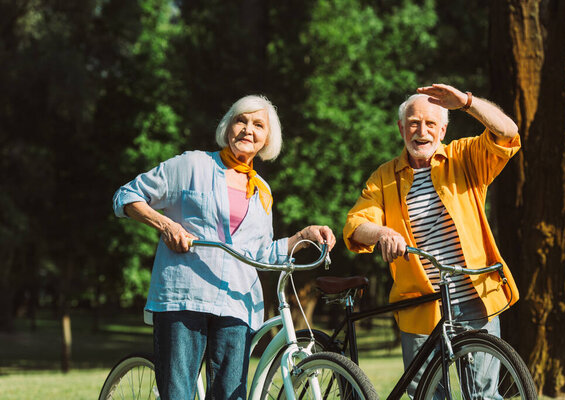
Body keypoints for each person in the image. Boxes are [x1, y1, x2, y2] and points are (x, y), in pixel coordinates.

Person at [113, 95, 336, 400]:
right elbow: (125, 197)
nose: (248, 129)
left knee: (231, 396)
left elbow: (259, 255)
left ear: (267, 139)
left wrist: (302, 236)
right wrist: (165, 225)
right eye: (241, 120)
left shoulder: (262, 192)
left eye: (258, 125)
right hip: (184, 299)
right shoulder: (191, 164)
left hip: (236, 305)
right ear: (227, 126)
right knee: (177, 393)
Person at [343, 83, 520, 397]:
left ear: (442, 130)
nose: (420, 131)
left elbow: (507, 133)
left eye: (429, 124)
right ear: (401, 128)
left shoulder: (464, 157)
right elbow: (356, 225)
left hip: (474, 297)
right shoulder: (384, 178)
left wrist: (466, 102)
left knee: (482, 395)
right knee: (427, 395)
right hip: (420, 304)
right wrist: (383, 232)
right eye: (413, 123)